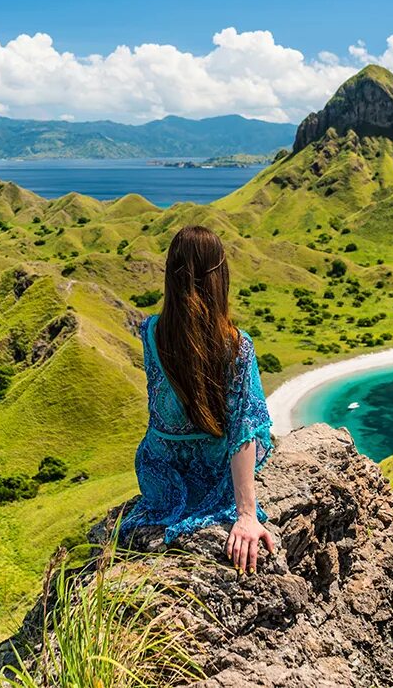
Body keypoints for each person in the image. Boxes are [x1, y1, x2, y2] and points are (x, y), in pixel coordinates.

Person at [119, 225, 275, 574]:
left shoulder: (150, 332)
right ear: (220, 278)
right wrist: (246, 514)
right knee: (260, 429)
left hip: (158, 471)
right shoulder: (237, 346)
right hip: (211, 473)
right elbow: (244, 430)